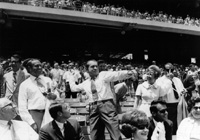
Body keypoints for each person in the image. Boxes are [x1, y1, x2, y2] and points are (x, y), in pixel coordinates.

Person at [69, 59, 136, 140]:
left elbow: (116, 74)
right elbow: (73, 88)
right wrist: (71, 76)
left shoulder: (103, 75)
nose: (95, 68)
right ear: (87, 69)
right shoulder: (85, 83)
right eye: (92, 66)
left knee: (114, 132)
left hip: (106, 106)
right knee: (95, 134)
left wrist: (128, 73)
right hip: (93, 107)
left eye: (96, 66)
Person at [18, 58, 57, 133]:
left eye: (40, 65)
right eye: (37, 66)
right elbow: (22, 107)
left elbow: (56, 95)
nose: (40, 67)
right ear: (29, 68)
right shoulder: (25, 85)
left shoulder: (47, 80)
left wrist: (54, 96)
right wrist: (31, 122)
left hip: (50, 113)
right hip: (35, 115)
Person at [157, 63, 186, 135]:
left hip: (177, 104)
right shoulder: (160, 80)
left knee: (177, 123)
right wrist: (169, 80)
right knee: (168, 124)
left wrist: (183, 92)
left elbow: (181, 89)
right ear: (163, 70)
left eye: (172, 69)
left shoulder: (177, 80)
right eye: (167, 70)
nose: (170, 72)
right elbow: (162, 93)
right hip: (166, 105)